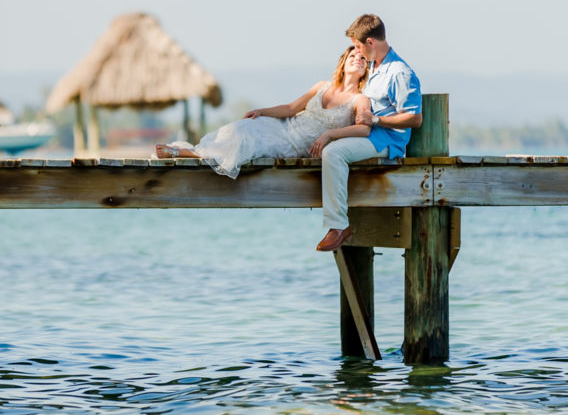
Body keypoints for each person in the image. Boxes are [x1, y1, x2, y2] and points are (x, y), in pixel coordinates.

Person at [155, 47, 371, 179]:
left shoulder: (360, 99)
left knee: (248, 142)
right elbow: (291, 108)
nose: (357, 60)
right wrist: (261, 111)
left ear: (366, 70)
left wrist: (330, 135)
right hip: (284, 127)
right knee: (243, 127)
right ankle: (196, 150)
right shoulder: (322, 85)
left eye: (363, 59)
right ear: (344, 62)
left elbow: (363, 128)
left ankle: (183, 153)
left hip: (295, 145)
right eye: (353, 55)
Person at [313, 14, 423, 252]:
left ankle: (339, 227)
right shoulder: (373, 66)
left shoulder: (400, 73)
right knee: (323, 147)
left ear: (371, 43)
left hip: (387, 140)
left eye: (359, 46)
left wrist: (376, 119)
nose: (357, 51)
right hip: (367, 133)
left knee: (333, 153)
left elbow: (415, 118)